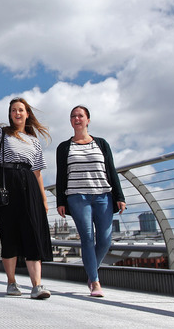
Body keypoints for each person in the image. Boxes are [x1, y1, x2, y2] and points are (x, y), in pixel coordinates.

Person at [0, 98, 53, 299]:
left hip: (29, 186)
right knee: (9, 234)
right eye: (13, 110)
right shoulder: (1, 132)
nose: (17, 113)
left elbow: (37, 173)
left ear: (27, 113)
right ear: (10, 114)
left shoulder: (34, 140)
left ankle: (37, 286)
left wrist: (44, 199)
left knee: (33, 233)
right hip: (7, 184)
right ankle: (11, 282)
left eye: (21, 110)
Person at [56, 105, 126, 298]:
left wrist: (120, 197)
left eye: (80, 116)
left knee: (105, 239)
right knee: (87, 238)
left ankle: (91, 270)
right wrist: (61, 201)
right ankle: (94, 282)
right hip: (77, 196)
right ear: (70, 121)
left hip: (103, 195)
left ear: (88, 120)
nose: (77, 119)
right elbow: (61, 175)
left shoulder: (101, 144)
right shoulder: (64, 147)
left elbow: (111, 170)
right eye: (73, 116)